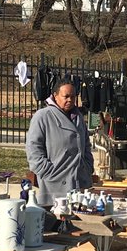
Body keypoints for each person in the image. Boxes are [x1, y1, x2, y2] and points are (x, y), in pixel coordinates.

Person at [25, 79, 96, 208]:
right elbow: (33, 149)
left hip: (80, 181)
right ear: (55, 96)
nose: (70, 100)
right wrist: (48, 171)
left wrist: (88, 166)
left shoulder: (78, 117)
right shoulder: (43, 116)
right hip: (55, 182)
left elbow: (86, 144)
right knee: (56, 222)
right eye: (66, 96)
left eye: (73, 96)